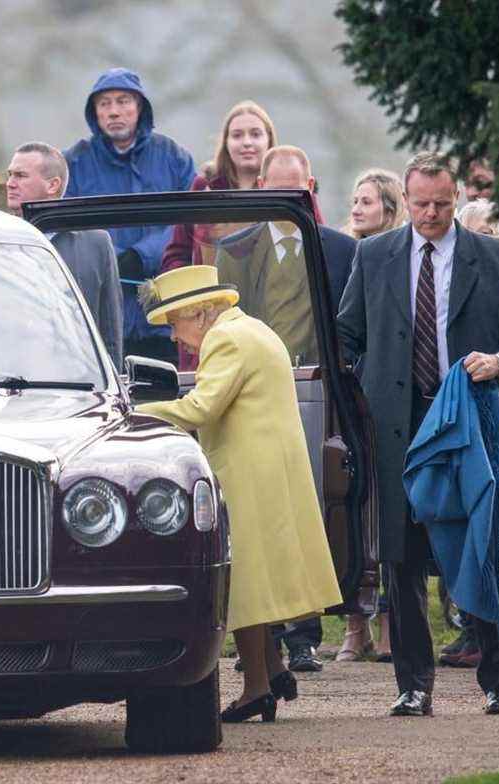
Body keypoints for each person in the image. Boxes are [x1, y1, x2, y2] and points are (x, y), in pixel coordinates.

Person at [337, 151, 499, 717]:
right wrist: (363, 395)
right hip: (398, 428)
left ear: (456, 200)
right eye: (421, 204)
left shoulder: (493, 256)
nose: (431, 214)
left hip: (472, 422)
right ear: (405, 199)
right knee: (401, 557)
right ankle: (413, 685)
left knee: (485, 543)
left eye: (442, 205)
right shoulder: (375, 255)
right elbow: (347, 334)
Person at [135, 265, 342, 723]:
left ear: (202, 313)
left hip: (248, 473)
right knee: (258, 580)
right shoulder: (253, 329)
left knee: (243, 584)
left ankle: (255, 689)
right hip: (269, 471)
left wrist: (135, 413)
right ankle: (272, 669)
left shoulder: (224, 340)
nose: (173, 337)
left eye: (175, 322)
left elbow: (199, 407)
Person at [64, 67, 195, 365]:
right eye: (105, 103)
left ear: (140, 107)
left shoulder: (174, 156)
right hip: (98, 318)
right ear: (94, 112)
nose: (114, 111)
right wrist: (108, 254)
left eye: (123, 101)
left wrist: (142, 255)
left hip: (167, 318)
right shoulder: (75, 162)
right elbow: (65, 226)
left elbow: (193, 219)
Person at [439, 200, 499, 669]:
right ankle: (469, 627)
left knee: (494, 533)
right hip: (439, 421)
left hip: (489, 423)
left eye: (485, 232)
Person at [337, 168, 407, 664]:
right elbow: (346, 326)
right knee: (355, 511)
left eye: (367, 201)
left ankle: (390, 625)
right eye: (354, 199)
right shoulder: (350, 252)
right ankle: (354, 625)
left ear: (389, 205)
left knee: (389, 516)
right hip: (358, 394)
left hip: (399, 397)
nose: (357, 208)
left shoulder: (406, 256)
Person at [159, 100, 278, 370]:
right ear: (225, 143)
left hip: (270, 315)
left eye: (255, 134)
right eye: (237, 135)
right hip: (208, 322)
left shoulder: (287, 184)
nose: (246, 142)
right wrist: (191, 297)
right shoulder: (204, 188)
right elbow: (175, 254)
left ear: (270, 140)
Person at [215, 145, 356, 366]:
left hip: (322, 386)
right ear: (261, 186)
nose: (285, 200)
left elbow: (352, 331)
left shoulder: (344, 251)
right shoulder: (234, 252)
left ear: (310, 186)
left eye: (293, 191)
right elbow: (225, 332)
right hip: (256, 383)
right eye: (276, 191)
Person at [6, 141, 123, 371]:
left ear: (53, 185)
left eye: (20, 176)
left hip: (77, 380)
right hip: (11, 380)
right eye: (9, 175)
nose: (10, 183)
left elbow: (110, 330)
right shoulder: (0, 239)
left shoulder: (95, 242)